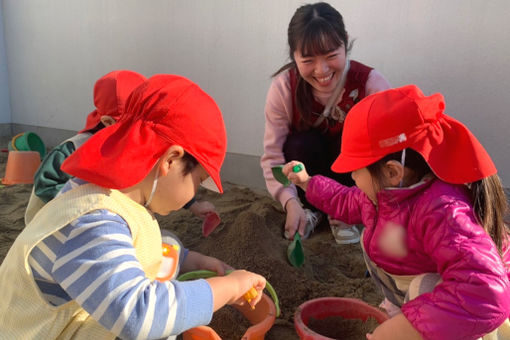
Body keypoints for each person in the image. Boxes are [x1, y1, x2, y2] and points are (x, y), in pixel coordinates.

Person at [0, 74, 266, 340]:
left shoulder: (115, 196)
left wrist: (195, 261)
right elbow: (138, 314)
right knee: (156, 319)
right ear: (171, 160)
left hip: (69, 322)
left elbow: (141, 248)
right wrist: (228, 288)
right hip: (37, 333)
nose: (194, 192)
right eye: (198, 180)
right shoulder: (93, 219)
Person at [283, 84, 510, 340]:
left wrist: (403, 329)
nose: (352, 176)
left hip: (471, 313)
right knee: (378, 241)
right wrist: (307, 182)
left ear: (392, 172)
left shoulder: (444, 211)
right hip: (428, 278)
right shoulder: (386, 194)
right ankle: (404, 307)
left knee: (422, 287)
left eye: (356, 169)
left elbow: (485, 294)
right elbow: (345, 200)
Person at [260, 1, 391, 242]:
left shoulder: (371, 84)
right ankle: (312, 211)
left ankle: (345, 213)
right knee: (300, 144)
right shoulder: (284, 88)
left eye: (331, 55)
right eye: (308, 60)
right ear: (294, 55)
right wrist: (289, 203)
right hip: (307, 184)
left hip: (354, 185)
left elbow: (387, 151)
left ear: (345, 43)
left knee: (355, 138)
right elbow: (273, 156)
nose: (321, 71)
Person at [25, 70, 216, 225]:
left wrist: (192, 204)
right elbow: (45, 183)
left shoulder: (131, 148)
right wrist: (91, 208)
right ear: (108, 123)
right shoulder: (73, 149)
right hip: (52, 225)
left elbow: (161, 178)